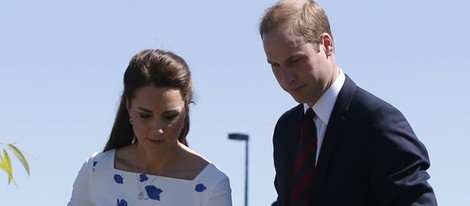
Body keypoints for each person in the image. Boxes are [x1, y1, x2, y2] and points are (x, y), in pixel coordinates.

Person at [259, 0, 438, 205]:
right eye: (275, 65)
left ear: (326, 45)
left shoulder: (377, 123)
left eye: (295, 60)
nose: (286, 77)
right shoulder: (286, 129)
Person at [67, 49, 232, 206]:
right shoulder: (96, 170)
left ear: (186, 111)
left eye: (169, 117)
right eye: (145, 115)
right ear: (129, 107)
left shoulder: (211, 184)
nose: (157, 129)